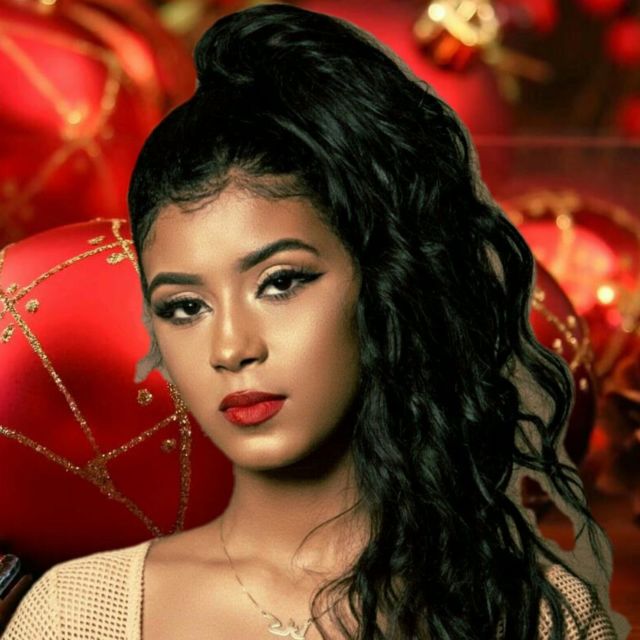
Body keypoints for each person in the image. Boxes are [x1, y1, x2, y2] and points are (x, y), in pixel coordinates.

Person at [2, 3, 629, 639]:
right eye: (185, 307)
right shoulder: (77, 615)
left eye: (279, 283)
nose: (231, 348)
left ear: (382, 282)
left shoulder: (539, 612)